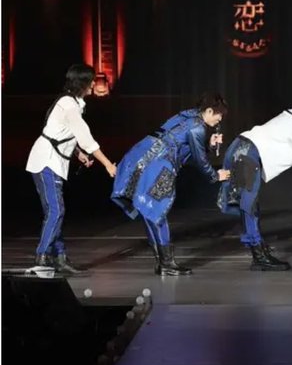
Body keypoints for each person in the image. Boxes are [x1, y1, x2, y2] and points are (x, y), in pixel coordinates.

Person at [111, 93, 230, 275]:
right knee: (157, 210)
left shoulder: (185, 116)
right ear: (209, 111)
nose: (220, 119)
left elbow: (181, 145)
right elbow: (199, 159)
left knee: (149, 210)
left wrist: (209, 145)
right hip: (158, 164)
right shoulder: (197, 128)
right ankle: (167, 263)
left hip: (142, 154)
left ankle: (162, 262)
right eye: (219, 115)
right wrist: (215, 175)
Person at [217, 93, 292, 271]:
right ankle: (259, 256)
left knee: (249, 205)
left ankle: (258, 247)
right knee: (249, 206)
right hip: (247, 154)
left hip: (241, 148)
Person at [26, 64, 117, 275]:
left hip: (54, 161)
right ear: (82, 83)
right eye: (91, 80)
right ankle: (42, 255)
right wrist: (107, 164)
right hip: (46, 161)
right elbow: (87, 139)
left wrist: (77, 153)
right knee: (56, 210)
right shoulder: (69, 105)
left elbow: (62, 131)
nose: (94, 83)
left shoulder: (73, 103)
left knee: (55, 211)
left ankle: (59, 257)